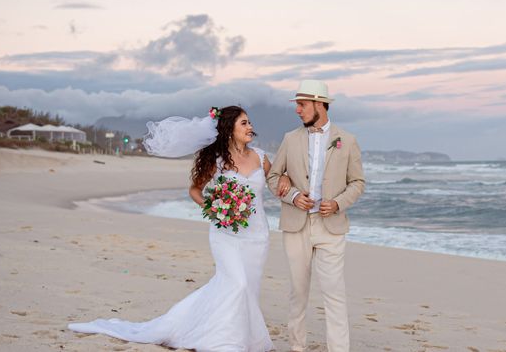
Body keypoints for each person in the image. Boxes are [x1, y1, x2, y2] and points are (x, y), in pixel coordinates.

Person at [69, 106, 275, 352]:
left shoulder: (261, 157)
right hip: (226, 234)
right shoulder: (218, 161)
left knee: (246, 288)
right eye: (244, 123)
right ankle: (224, 340)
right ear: (228, 129)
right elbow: (195, 191)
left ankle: (244, 338)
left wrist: (288, 186)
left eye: (249, 122)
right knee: (237, 283)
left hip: (257, 234)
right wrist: (213, 209)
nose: (250, 127)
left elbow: (275, 184)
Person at [267, 80, 366, 352]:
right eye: (297, 105)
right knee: (298, 293)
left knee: (334, 293)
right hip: (296, 226)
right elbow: (274, 177)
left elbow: (357, 182)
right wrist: (293, 195)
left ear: (320, 104)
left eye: (302, 104)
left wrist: (337, 203)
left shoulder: (347, 140)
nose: (297, 110)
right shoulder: (290, 139)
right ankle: (297, 348)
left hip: (330, 228)